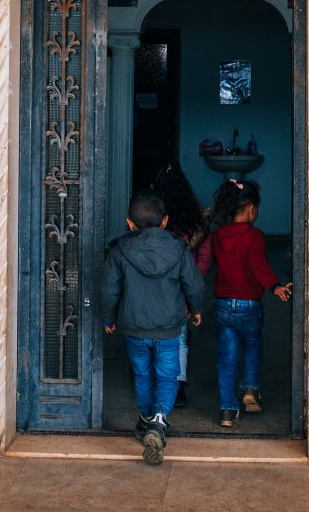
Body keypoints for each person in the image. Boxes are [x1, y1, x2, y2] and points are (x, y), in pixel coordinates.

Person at [100, 191, 205, 465]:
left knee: (143, 376)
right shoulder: (178, 248)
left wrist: (108, 318)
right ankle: (159, 423)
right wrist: (196, 310)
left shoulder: (120, 249)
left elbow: (109, 289)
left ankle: (146, 423)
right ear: (165, 221)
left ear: (129, 223)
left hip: (135, 327)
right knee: (168, 377)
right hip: (169, 328)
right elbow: (193, 283)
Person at [206, 179, 292, 428]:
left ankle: (227, 410)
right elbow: (258, 265)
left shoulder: (217, 236)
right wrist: (274, 286)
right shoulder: (254, 236)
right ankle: (251, 387)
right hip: (249, 306)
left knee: (227, 356)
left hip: (222, 306)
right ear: (251, 208)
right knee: (253, 345)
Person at [152, 162, 209, 408]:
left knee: (154, 334)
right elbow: (205, 252)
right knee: (180, 338)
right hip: (184, 284)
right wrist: (194, 277)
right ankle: (179, 385)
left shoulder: (155, 213)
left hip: (157, 285)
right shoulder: (194, 212)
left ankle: (158, 381)